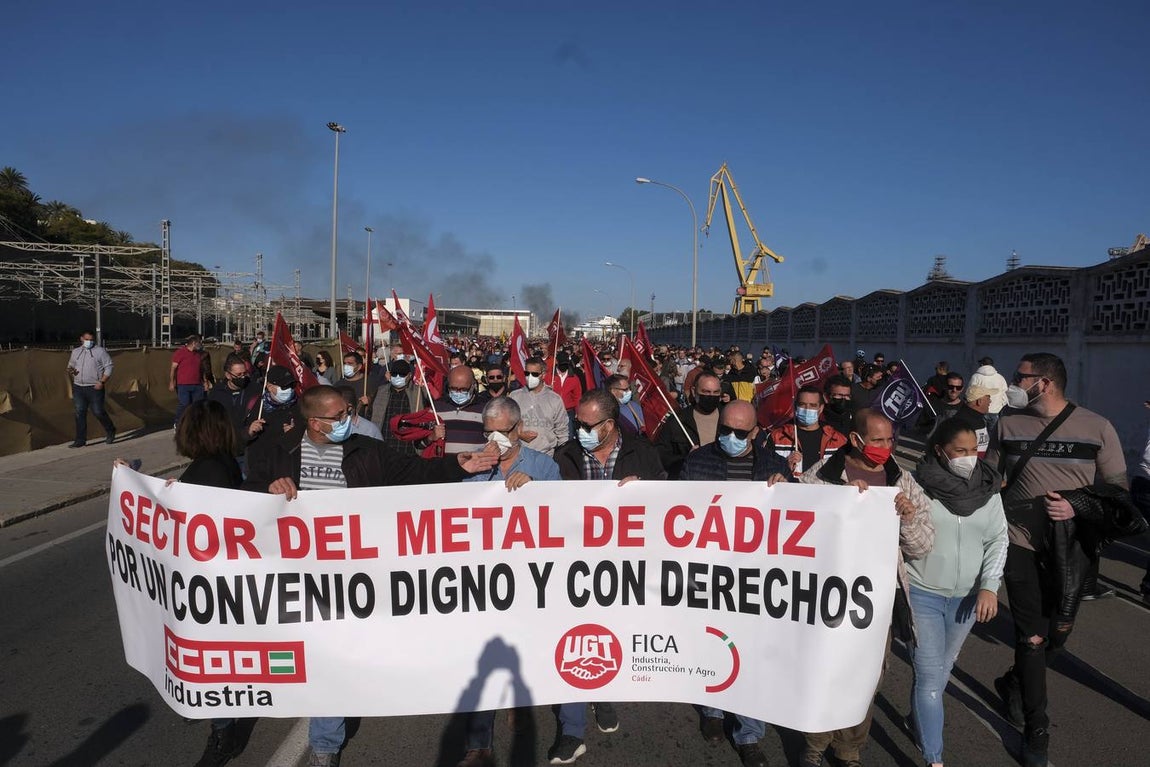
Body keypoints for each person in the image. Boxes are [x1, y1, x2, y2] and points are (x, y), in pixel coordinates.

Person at [243, 386, 499, 766]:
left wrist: (458, 466)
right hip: (301, 580)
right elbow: (241, 496)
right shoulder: (278, 452)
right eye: (339, 416)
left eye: (348, 412)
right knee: (323, 659)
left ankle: (329, 736)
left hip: (357, 577)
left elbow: (417, 473)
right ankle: (326, 744)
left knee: (345, 656)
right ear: (315, 423)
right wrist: (267, 488)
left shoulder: (368, 451)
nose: (348, 420)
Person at [988, 353, 1128, 767]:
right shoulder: (1007, 424)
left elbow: (1118, 493)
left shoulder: (1097, 427)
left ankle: (1014, 682)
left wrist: (1076, 506)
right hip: (1019, 543)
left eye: (1020, 377)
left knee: (1057, 635)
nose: (1013, 383)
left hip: (1071, 550)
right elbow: (990, 479)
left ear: (1045, 383)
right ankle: (1037, 729)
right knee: (1031, 638)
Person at [798, 408, 934, 767]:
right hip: (827, 597)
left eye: (890, 440)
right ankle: (815, 744)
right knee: (824, 671)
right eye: (877, 440)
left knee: (866, 677)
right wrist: (839, 503)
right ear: (856, 440)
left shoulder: (902, 480)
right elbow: (798, 531)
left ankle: (849, 749)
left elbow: (923, 547)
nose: (885, 447)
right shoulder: (822, 477)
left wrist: (907, 519)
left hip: (877, 602)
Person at [551, 389, 665, 763]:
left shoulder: (642, 454)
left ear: (610, 425)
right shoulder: (565, 455)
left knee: (611, 636)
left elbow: (669, 502)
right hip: (576, 566)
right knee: (574, 638)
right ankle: (571, 729)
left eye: (587, 425)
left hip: (625, 568)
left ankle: (604, 695)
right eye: (577, 423)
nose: (579, 430)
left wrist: (647, 492)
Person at [679, 400, 788, 767]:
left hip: (755, 577)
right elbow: (674, 508)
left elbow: (797, 519)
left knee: (751, 654)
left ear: (754, 433)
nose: (729, 436)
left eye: (739, 432)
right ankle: (712, 709)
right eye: (724, 429)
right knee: (712, 643)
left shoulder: (774, 467)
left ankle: (749, 734)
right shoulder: (698, 461)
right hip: (708, 573)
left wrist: (788, 490)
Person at [456, 397, 560, 767]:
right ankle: (478, 744)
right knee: (480, 657)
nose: (494, 439)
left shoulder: (543, 466)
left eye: (501, 431)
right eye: (488, 432)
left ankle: (519, 700)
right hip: (482, 578)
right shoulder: (473, 464)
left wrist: (536, 490)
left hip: (528, 578)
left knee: (522, 647)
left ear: (519, 429)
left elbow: (562, 514)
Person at [908, 418, 1007, 767]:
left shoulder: (988, 488)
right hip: (922, 593)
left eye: (973, 450)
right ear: (940, 451)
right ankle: (934, 757)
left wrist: (989, 587)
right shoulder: (915, 485)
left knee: (941, 669)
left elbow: (998, 539)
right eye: (959, 451)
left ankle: (917, 719)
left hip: (966, 599)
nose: (969, 457)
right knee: (930, 678)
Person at [172, 399, 245, 767]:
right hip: (214, 579)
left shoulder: (210, 469)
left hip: (213, 582)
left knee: (213, 659)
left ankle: (223, 732)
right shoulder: (218, 463)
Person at [768, 385, 847, 477]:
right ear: (795, 406)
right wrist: (785, 465)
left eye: (813, 405)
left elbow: (847, 474)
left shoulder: (838, 440)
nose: (807, 409)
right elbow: (763, 470)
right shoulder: (777, 437)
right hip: (790, 485)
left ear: (821, 408)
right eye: (802, 404)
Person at [656, 373, 724, 479]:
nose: (711, 396)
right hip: (689, 481)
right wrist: (686, 458)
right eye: (706, 392)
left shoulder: (729, 418)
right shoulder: (678, 420)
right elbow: (660, 454)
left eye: (716, 392)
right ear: (693, 391)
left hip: (722, 481)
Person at [207, 356, 261, 473]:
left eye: (245, 373)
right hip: (224, 449)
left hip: (246, 448)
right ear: (228, 375)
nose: (243, 377)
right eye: (238, 375)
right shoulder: (217, 393)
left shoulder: (255, 390)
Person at [508, 356, 568, 458]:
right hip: (519, 456)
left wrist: (562, 456)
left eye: (534, 374)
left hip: (546, 456)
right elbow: (506, 426)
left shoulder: (555, 399)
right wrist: (519, 435)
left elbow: (562, 431)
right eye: (527, 373)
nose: (530, 377)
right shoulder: (514, 396)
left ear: (543, 375)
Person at [66, 330, 116, 447]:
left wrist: (102, 381)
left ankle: (110, 430)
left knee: (98, 411)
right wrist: (72, 371)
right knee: (80, 412)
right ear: (81, 339)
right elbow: (70, 366)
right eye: (87, 339)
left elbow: (109, 366)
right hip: (79, 387)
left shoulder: (100, 351)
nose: (89, 342)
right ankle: (80, 440)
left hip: (95, 387)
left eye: (91, 340)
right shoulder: (76, 352)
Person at [428, 365, 490, 455]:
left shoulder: (485, 408)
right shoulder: (436, 407)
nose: (458, 393)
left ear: (473, 386)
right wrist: (431, 437)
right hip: (442, 463)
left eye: (463, 389)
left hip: (474, 462)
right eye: (453, 388)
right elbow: (419, 444)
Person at [370, 359, 425, 456]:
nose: (398, 377)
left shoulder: (419, 393)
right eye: (394, 374)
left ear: (409, 375)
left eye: (402, 374)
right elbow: (370, 415)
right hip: (382, 449)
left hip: (407, 451)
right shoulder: (380, 391)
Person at [171, 334, 209, 426]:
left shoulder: (199, 354)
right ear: (194, 343)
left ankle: (196, 424)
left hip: (197, 384)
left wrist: (205, 382)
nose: (200, 344)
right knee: (184, 404)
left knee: (197, 405)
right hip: (183, 384)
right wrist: (172, 382)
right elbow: (173, 368)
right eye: (199, 342)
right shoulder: (180, 353)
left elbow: (202, 369)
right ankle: (178, 422)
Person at [606, 373, 645, 438]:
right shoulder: (608, 414)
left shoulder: (634, 405)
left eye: (629, 388)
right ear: (613, 391)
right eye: (625, 389)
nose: (630, 392)